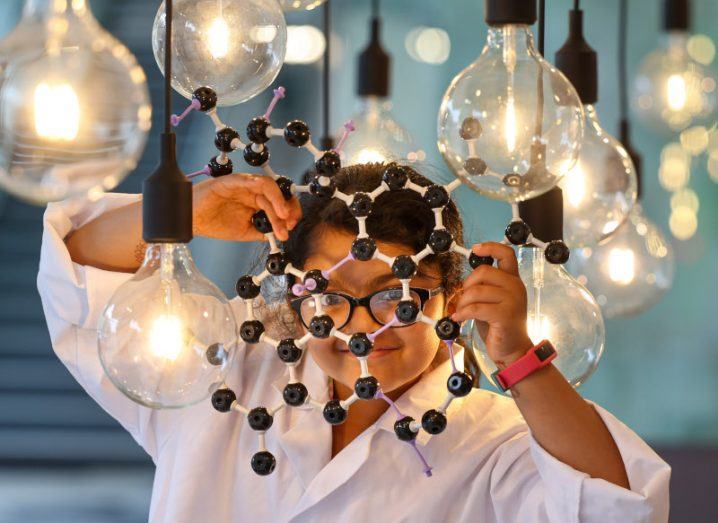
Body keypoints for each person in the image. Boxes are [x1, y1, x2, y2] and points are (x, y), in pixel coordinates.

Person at [37, 163, 670, 522]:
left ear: (452, 296)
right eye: (331, 296)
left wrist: (519, 360)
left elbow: (617, 510)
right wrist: (177, 219)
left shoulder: (493, 438)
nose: (363, 329)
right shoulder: (227, 368)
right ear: (294, 295)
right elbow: (82, 292)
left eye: (398, 296)